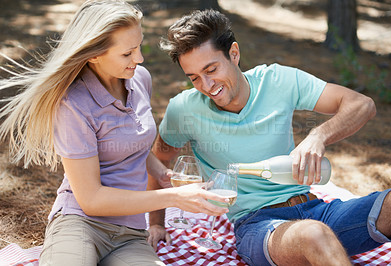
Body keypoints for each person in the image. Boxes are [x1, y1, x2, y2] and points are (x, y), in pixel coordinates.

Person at [150, 9, 391, 266]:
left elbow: (362, 104)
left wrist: (318, 136)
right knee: (313, 234)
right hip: (259, 226)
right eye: (194, 78)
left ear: (234, 54)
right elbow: (158, 162)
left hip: (318, 210)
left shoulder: (278, 80)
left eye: (211, 69)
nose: (207, 85)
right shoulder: (184, 109)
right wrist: (157, 223)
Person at [0, 2, 229, 265]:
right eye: (127, 53)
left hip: (131, 232)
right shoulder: (73, 104)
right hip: (81, 223)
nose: (139, 59)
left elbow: (133, 145)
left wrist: (164, 175)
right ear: (94, 54)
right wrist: (174, 196)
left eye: (139, 47)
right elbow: (92, 201)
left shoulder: (140, 78)